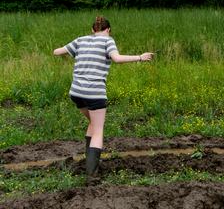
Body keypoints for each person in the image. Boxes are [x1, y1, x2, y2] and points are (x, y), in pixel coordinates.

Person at [53, 16, 153, 181]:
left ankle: (88, 161)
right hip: (94, 94)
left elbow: (56, 52)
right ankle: (91, 174)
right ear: (108, 30)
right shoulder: (108, 41)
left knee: (93, 123)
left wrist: (73, 54)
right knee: (98, 130)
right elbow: (117, 59)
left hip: (76, 93)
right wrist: (140, 57)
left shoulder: (81, 40)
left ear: (93, 30)